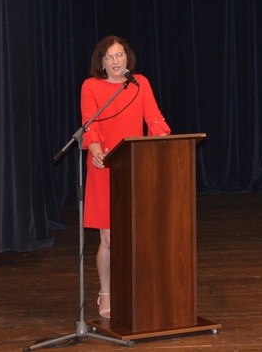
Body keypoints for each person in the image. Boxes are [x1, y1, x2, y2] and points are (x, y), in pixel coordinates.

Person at [80, 35, 171, 319]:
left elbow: (154, 119)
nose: (116, 61)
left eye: (120, 55)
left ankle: (137, 288)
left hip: (135, 166)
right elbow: (89, 124)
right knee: (109, 239)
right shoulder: (91, 86)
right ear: (102, 63)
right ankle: (106, 292)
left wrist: (166, 145)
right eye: (109, 57)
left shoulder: (139, 83)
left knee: (137, 235)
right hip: (104, 166)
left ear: (127, 59)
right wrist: (95, 149)